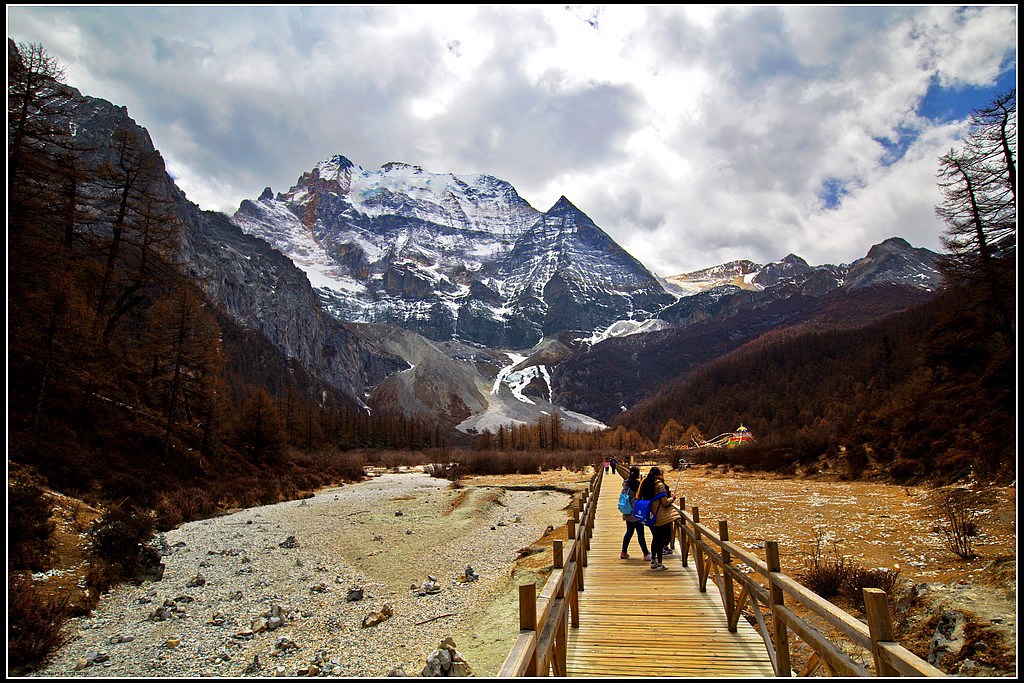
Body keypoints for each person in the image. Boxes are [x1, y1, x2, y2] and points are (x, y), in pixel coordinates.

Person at [637, 466, 678, 570]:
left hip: (649, 514)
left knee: (655, 539)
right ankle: (660, 564)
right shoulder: (659, 485)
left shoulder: (645, 482)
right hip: (659, 516)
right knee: (659, 540)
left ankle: (653, 561)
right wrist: (672, 498)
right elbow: (664, 502)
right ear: (659, 474)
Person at [618, 466, 650, 561]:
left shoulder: (625, 484)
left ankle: (624, 552)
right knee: (640, 533)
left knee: (629, 531)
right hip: (637, 512)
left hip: (627, 511)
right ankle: (646, 553)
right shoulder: (637, 485)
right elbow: (642, 495)